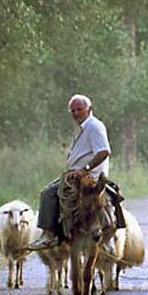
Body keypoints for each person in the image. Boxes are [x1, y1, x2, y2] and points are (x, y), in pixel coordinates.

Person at [27, 94, 124, 250]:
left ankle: (48, 236)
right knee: (54, 193)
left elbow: (104, 152)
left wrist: (84, 169)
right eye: (72, 110)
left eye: (79, 109)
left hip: (88, 177)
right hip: (74, 175)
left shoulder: (94, 126)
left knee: (48, 194)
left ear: (89, 109)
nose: (76, 113)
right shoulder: (81, 128)